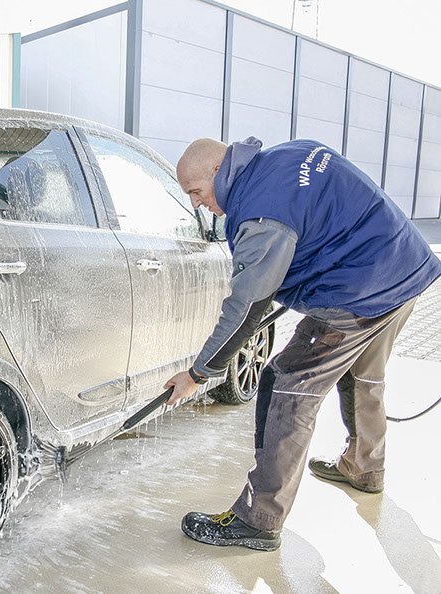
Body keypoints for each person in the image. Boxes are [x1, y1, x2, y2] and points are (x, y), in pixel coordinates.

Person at [163, 136, 441, 551]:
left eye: (196, 192)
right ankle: (365, 467)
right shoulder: (285, 156)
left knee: (285, 385)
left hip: (360, 289)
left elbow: (246, 306)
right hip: (405, 269)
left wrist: (198, 373)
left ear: (219, 172)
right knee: (363, 373)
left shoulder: (261, 212)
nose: (197, 204)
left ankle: (258, 521)